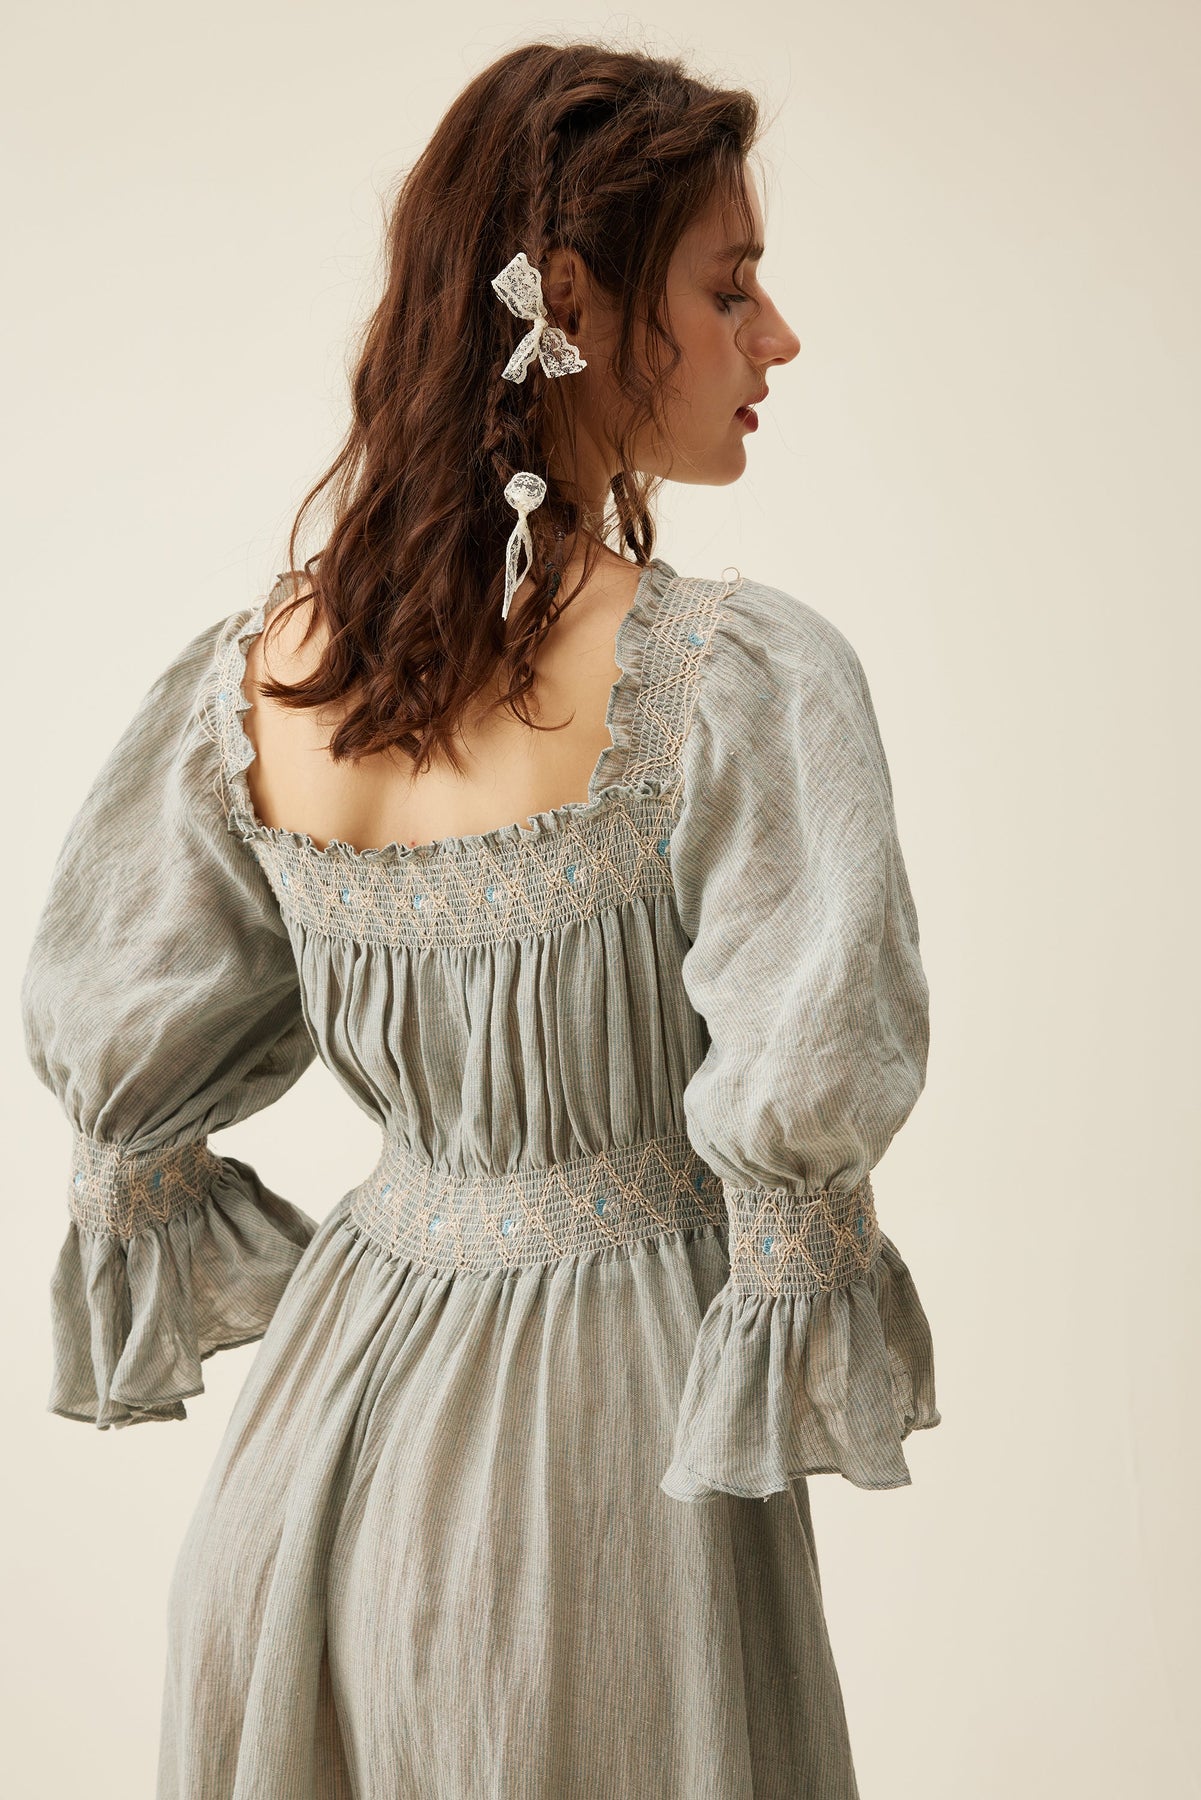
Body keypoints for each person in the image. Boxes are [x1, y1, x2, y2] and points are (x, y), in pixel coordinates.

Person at [19, 37, 941, 1800]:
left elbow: (124, 1076)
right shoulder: (738, 679)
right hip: (609, 1470)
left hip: (323, 1454)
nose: (776, 337)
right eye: (728, 287)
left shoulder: (267, 676)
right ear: (569, 305)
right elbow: (809, 1077)